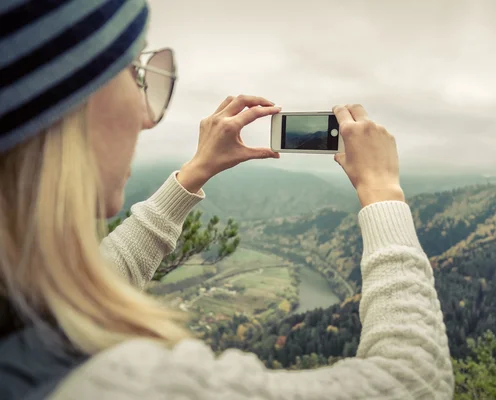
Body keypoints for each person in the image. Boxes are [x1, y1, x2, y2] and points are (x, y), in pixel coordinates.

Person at [0, 0, 454, 398]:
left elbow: (103, 272)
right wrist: (382, 192)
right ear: (64, 101)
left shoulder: (18, 312)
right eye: (136, 73)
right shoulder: (110, 386)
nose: (146, 115)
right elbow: (414, 382)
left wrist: (196, 171)